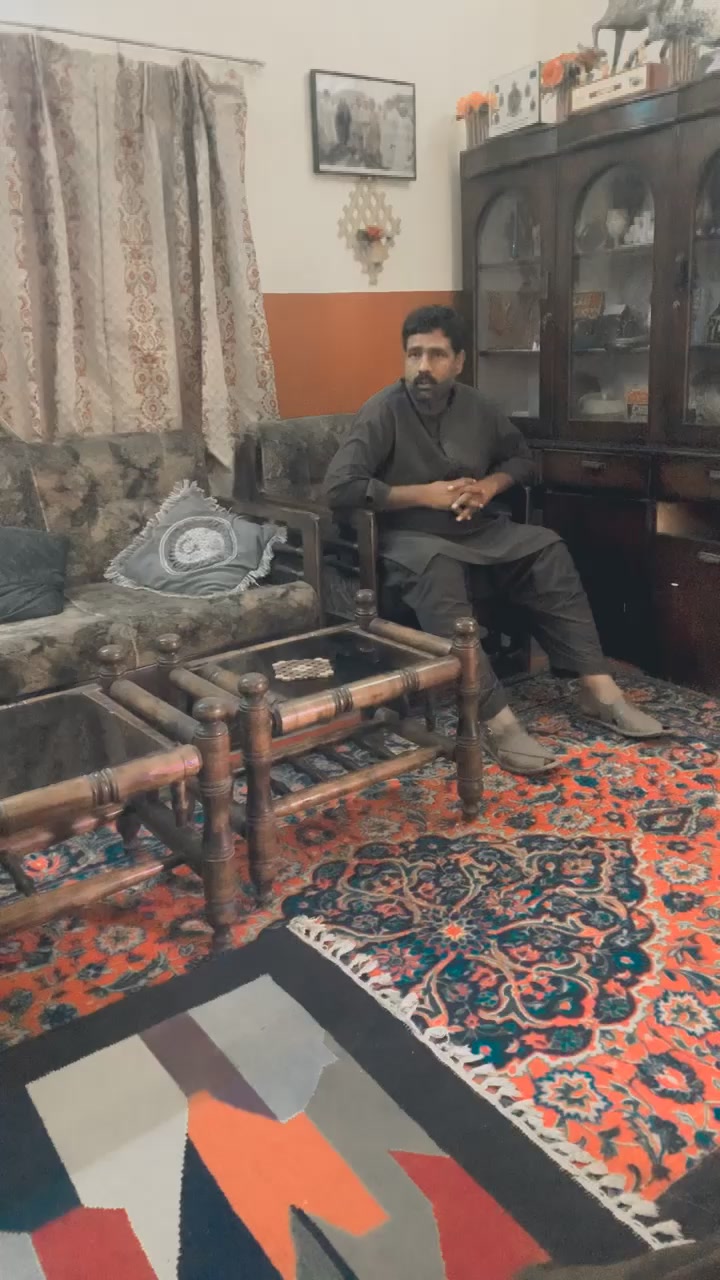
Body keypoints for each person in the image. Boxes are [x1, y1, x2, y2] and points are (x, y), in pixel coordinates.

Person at [323, 305, 663, 775]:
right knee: (436, 567)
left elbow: (522, 459)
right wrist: (423, 494)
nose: (423, 367)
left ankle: (597, 687)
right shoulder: (383, 411)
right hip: (409, 538)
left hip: (476, 530)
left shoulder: (478, 407)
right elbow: (339, 487)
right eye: (414, 354)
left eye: (436, 355)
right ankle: (495, 719)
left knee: (546, 547)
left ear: (459, 361)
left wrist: (487, 487)